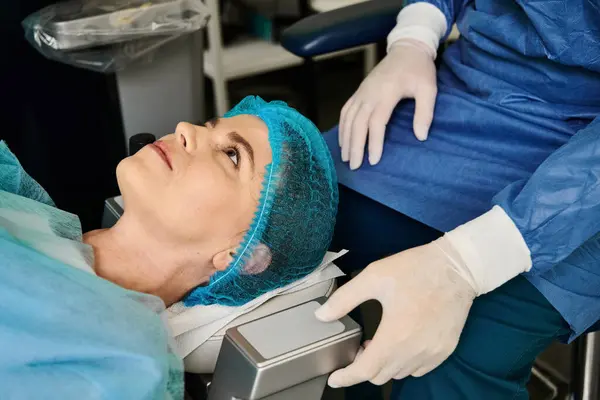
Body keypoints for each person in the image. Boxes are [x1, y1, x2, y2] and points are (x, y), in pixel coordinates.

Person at [316, 1, 600, 399]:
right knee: (295, 225)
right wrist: (414, 36)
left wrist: (467, 263)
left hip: (586, 176)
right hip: (471, 105)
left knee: (450, 356)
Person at [0, 96, 338, 398]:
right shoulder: (18, 199)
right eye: (208, 126)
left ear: (240, 254)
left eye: (232, 155)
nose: (184, 129)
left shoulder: (118, 364)